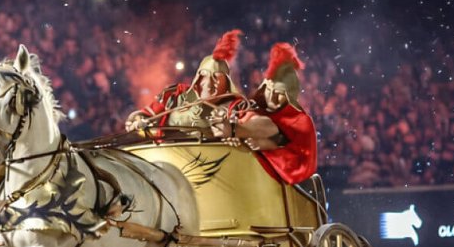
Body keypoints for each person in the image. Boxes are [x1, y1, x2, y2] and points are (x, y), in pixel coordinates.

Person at [215, 42, 318, 185]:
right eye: (271, 90)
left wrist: (237, 131)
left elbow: (297, 159)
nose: (273, 98)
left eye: (280, 94)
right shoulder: (254, 106)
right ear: (265, 86)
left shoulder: (300, 120)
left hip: (286, 182)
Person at [126, 30, 245, 131]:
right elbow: (144, 115)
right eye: (204, 75)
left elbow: (251, 127)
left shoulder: (237, 107)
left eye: (216, 78)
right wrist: (138, 121)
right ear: (197, 78)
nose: (208, 84)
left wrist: (235, 130)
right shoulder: (175, 96)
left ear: (227, 83)